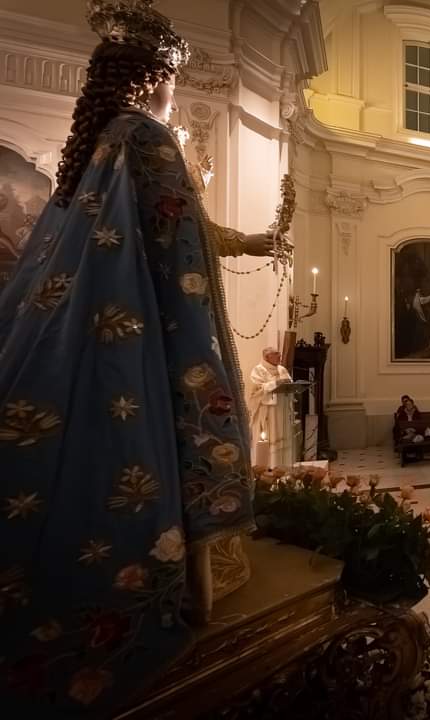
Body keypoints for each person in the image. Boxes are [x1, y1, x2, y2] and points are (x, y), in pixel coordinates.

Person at [0, 5, 273, 713]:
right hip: (143, 323)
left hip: (84, 329)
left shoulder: (95, 144)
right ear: (154, 78)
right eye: (172, 81)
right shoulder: (146, 135)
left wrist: (250, 242)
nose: (174, 95)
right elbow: (179, 238)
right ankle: (180, 592)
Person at [249, 346, 296, 467]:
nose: (280, 356)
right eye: (276, 354)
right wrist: (275, 383)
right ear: (267, 357)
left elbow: (289, 385)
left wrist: (291, 386)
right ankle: (268, 468)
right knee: (269, 439)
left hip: (282, 409)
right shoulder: (258, 370)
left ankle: (284, 467)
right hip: (268, 411)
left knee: (284, 439)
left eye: (279, 353)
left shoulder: (282, 370)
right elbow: (257, 390)